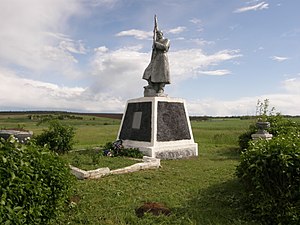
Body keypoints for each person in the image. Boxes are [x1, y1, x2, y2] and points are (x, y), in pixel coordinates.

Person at [143, 29, 170, 96]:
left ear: (162, 34)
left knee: (162, 74)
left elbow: (165, 47)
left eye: (159, 34)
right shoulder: (156, 41)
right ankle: (152, 86)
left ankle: (161, 89)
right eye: (157, 34)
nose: (158, 35)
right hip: (155, 59)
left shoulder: (166, 40)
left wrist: (156, 44)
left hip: (162, 58)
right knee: (147, 72)